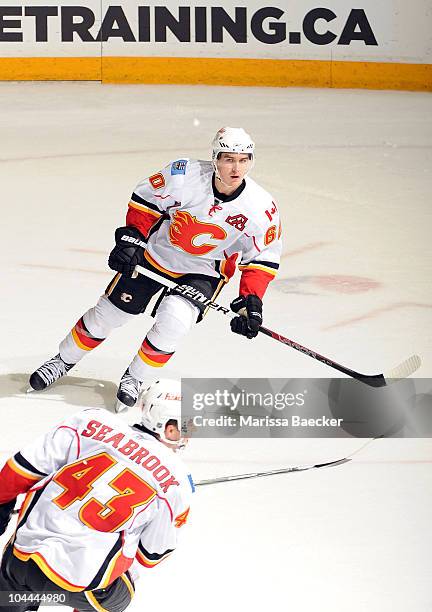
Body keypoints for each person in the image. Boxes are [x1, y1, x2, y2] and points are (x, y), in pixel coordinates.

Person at [29, 127, 282, 411]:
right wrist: (132, 239)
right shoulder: (183, 175)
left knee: (175, 321)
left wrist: (251, 302)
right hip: (157, 254)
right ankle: (63, 360)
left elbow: (262, 257)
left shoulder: (262, 208)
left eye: (244, 159)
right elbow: (146, 201)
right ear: (215, 159)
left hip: (203, 271)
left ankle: (136, 378)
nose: (236, 168)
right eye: (228, 159)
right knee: (109, 314)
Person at [0, 380, 192, 612]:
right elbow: (150, 555)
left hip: (22, 563)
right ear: (167, 427)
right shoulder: (176, 480)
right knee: (126, 581)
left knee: (14, 586)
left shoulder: (90, 420)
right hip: (79, 589)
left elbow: (18, 470)